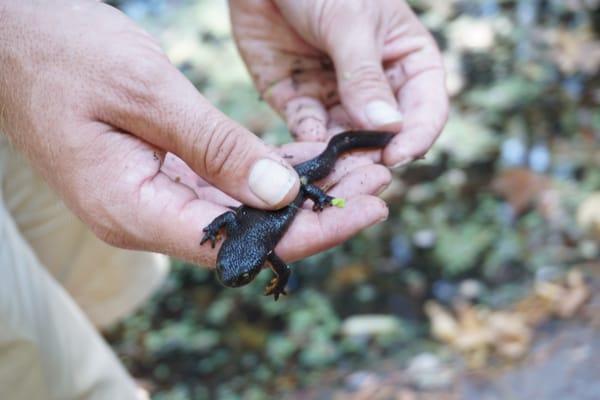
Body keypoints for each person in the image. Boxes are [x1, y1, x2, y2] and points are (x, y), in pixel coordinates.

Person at [0, 0, 448, 398]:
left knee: (328, 160)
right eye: (241, 269)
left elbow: (236, 216)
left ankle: (91, 349)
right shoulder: (268, 250)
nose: (234, 271)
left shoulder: (257, 242)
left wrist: (317, 199)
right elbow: (267, 250)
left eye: (237, 267)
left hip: (302, 178)